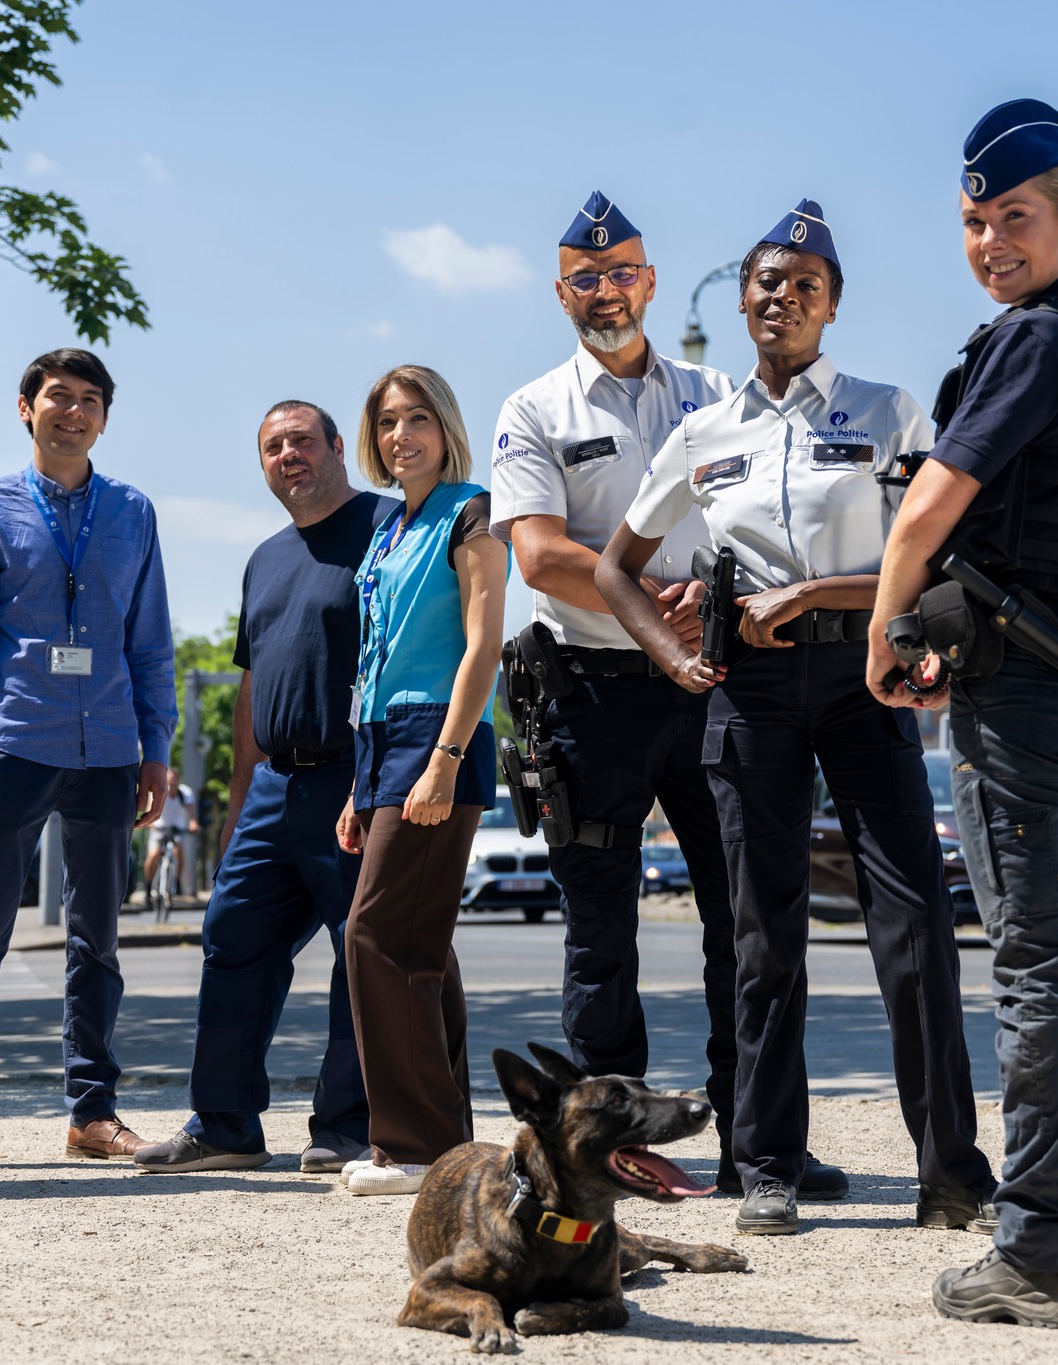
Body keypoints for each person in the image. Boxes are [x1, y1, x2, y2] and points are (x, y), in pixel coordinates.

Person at [596, 201, 995, 1238]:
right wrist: (676, 655)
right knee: (761, 935)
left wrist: (813, 594)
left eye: (805, 285)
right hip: (752, 692)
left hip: (866, 678)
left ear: (832, 306)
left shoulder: (886, 412)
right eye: (767, 283)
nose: (784, 298)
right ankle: (765, 1166)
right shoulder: (702, 432)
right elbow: (615, 567)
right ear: (742, 301)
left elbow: (936, 560)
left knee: (914, 924)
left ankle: (950, 1171)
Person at [867, 101, 1058, 1326]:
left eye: (1014, 218)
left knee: (1037, 974)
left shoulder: (1037, 339)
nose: (990, 243)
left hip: (1037, 691)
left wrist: (886, 638)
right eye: (972, 223)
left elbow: (926, 508)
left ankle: (1038, 1253)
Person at [489, 191, 844, 1200]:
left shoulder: (717, 394)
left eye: (622, 272)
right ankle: (614, 1151)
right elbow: (539, 554)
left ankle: (758, 1140)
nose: (606, 290)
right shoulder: (534, 410)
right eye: (586, 279)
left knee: (746, 921)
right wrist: (653, 603)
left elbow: (772, 518)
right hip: (590, 695)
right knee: (601, 934)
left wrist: (714, 600)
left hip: (713, 687)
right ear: (562, 294)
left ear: (649, 281)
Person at [0, 347, 178, 1173]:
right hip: (15, 745)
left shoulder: (133, 511)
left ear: (104, 418)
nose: (74, 412)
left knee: (97, 942)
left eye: (90, 400)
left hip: (109, 750)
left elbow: (151, 643)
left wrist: (157, 748)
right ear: (25, 407)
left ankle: (92, 1112)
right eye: (58, 396)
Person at [134, 400, 389, 1176]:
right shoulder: (265, 558)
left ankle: (347, 1125)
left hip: (353, 776)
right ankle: (225, 1124)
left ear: (338, 446)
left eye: (302, 440)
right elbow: (253, 686)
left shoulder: (389, 527)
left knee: (360, 952)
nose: (288, 455)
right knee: (232, 936)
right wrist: (240, 793)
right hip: (273, 787)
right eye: (273, 447)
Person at [335, 365, 507, 1196]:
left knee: (375, 935)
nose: (401, 435)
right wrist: (358, 785)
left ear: (446, 428)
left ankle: (414, 1147)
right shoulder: (386, 529)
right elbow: (376, 658)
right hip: (382, 744)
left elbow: (483, 643)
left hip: (437, 734)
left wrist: (445, 757)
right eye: (387, 422)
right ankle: (448, 1145)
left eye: (417, 418)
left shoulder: (471, 509)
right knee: (420, 943)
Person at [143, 766, 198, 903]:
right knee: (153, 855)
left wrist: (193, 823)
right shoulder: (160, 789)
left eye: (175, 780)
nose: (172, 783)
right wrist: (149, 822)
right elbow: (150, 807)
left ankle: (177, 881)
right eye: (170, 780)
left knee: (178, 851)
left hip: (177, 829)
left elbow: (191, 812)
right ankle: (148, 886)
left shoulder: (185, 793)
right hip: (159, 828)